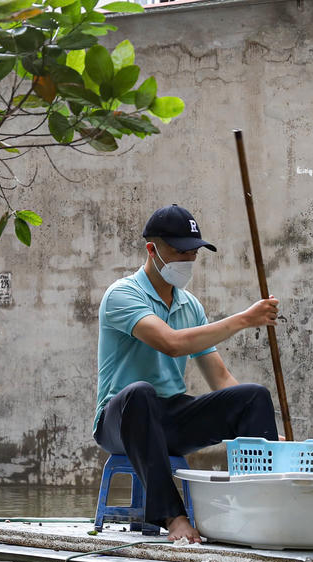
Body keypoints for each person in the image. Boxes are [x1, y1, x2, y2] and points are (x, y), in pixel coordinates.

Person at [93, 204, 280, 543]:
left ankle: (260, 514)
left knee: (253, 397)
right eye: (179, 251)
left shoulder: (189, 305)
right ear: (152, 250)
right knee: (141, 393)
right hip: (121, 419)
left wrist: (261, 436)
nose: (187, 259)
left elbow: (220, 379)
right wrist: (244, 319)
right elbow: (171, 344)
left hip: (170, 415)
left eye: (193, 252)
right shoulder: (122, 295)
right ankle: (174, 517)